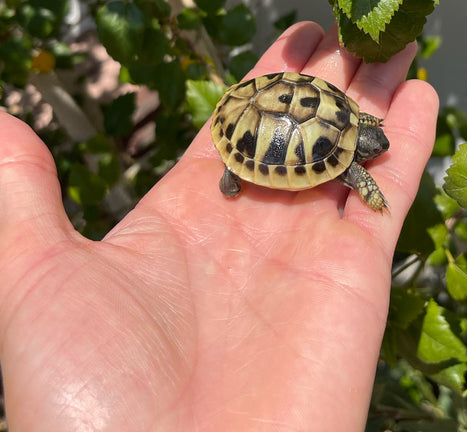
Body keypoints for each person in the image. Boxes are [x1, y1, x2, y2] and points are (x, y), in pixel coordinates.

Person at [0, 22, 438, 431]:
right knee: (238, 180)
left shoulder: (349, 120)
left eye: (370, 147)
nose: (373, 154)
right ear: (360, 145)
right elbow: (352, 171)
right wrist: (369, 185)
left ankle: (237, 167)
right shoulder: (351, 156)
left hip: (268, 103)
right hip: (259, 118)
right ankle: (234, 168)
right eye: (369, 153)